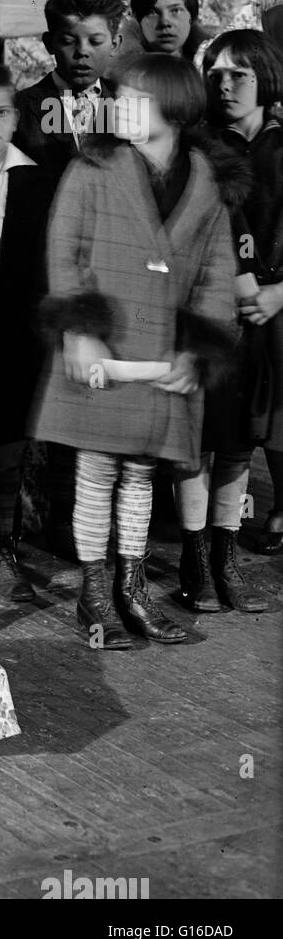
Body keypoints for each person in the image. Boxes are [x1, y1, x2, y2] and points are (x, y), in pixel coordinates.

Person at [33, 53, 238, 648]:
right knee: (97, 471)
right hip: (106, 347)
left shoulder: (207, 178)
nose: (117, 105)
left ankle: (133, 589)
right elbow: (63, 248)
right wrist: (78, 327)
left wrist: (200, 349)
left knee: (142, 475)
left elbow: (218, 276)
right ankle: (94, 596)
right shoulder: (92, 166)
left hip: (162, 354)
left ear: (172, 107)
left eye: (133, 97)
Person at [179, 30, 283, 572]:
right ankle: (197, 560)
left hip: (274, 313)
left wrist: (277, 293)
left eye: (239, 75)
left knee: (245, 435)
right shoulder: (199, 147)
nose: (226, 85)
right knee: (203, 434)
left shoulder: (281, 147)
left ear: (264, 78)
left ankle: (224, 558)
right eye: (215, 74)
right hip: (215, 310)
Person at [0, 61, 54, 601]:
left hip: (16, 337)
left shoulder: (35, 180)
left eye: (2, 112)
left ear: (17, 117)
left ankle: (0, 546)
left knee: (7, 451)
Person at [15, 0, 123, 179]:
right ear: (49, 43)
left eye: (95, 41)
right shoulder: (21, 110)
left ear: (115, 45)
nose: (82, 51)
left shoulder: (127, 104)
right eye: (68, 41)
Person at [118, 0, 210, 72]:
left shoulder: (210, 67)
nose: (165, 22)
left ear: (192, 17)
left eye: (175, 10)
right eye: (153, 12)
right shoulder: (122, 74)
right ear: (136, 18)